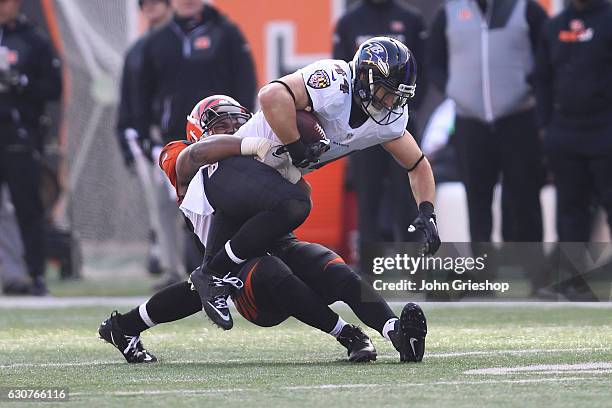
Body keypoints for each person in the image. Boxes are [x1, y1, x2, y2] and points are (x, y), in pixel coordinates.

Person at [97, 95, 427, 364]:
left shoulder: (256, 164)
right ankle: (349, 335)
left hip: (271, 244)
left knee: (330, 265)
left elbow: (302, 197)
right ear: (199, 130)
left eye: (239, 124)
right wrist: (248, 145)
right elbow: (193, 156)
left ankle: (395, 331)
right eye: (222, 126)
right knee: (267, 271)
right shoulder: (183, 154)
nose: (234, 130)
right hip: (244, 268)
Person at [179, 37, 439, 331]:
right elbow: (271, 95)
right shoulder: (333, 80)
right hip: (232, 170)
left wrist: (427, 210)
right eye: (386, 92)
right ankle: (211, 273)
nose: (391, 103)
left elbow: (417, 164)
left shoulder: (388, 119)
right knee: (297, 204)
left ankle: (393, 332)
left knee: (320, 254)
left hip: (267, 185)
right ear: (366, 77)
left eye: (398, 97)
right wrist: (296, 147)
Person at [428, 0, 548, 243]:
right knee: (477, 200)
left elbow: (546, 60)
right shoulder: (448, 13)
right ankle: (483, 271)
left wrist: (526, 89)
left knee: (525, 198)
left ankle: (533, 271)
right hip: (470, 123)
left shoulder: (526, 10)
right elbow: (433, 62)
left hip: (519, 120)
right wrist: (455, 91)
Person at [332, 0, 427, 257]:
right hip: (362, 124)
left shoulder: (410, 18)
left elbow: (422, 72)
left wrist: (399, 109)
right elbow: (343, 73)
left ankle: (415, 269)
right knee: (368, 200)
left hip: (397, 119)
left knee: (407, 198)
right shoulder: (349, 21)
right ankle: (369, 271)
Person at [534, 0, 612, 299]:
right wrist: (545, 125)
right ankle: (574, 280)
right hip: (565, 130)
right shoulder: (554, 26)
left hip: (605, 127)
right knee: (570, 210)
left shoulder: (608, 19)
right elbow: (541, 78)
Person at [0, 0, 62, 295]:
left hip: (19, 135)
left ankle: (35, 274)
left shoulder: (32, 39)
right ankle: (9, 274)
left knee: (27, 205)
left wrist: (20, 81)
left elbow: (54, 87)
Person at [116, 0, 178, 285]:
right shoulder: (138, 51)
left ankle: (206, 266)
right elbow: (129, 97)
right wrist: (128, 133)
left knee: (195, 206)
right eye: (146, 3)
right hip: (154, 139)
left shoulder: (183, 42)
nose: (151, 7)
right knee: (162, 206)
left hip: (186, 134)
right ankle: (171, 267)